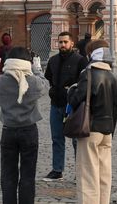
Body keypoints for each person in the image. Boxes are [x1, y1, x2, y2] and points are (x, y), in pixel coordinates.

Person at [69, 40, 117, 204]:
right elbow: (115, 107)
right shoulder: (114, 76)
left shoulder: (89, 74)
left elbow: (77, 99)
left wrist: (71, 90)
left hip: (90, 129)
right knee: (104, 174)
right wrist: (111, 129)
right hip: (107, 129)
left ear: (91, 54)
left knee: (88, 174)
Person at [0, 46, 45, 204]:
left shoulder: (0, 81)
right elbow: (45, 85)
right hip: (29, 130)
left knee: (8, 175)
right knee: (28, 175)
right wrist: (37, 70)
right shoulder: (33, 81)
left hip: (8, 130)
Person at [42, 30, 86, 181]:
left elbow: (84, 82)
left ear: (71, 43)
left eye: (65, 42)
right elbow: (48, 77)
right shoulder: (53, 60)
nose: (62, 45)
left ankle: (80, 171)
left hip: (73, 106)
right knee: (56, 138)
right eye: (60, 42)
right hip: (56, 104)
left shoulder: (80, 60)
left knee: (76, 140)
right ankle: (57, 169)